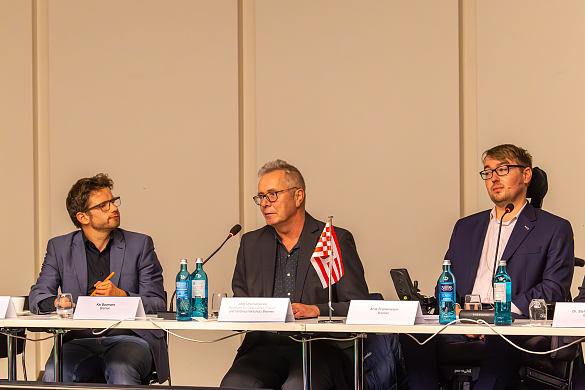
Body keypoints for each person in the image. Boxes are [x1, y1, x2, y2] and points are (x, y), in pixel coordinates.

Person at [405, 144, 574, 390]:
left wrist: (502, 315)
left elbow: (554, 289)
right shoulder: (465, 227)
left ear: (526, 175)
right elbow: (446, 280)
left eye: (502, 169)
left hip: (515, 322)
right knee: (412, 335)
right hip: (463, 318)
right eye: (488, 172)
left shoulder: (554, 228)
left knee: (501, 339)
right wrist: (458, 311)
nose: (493, 177)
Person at [220, 159, 372, 390]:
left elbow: (360, 306)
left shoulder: (333, 239)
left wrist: (317, 310)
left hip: (320, 347)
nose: (264, 204)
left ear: (298, 196)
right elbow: (240, 304)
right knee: (234, 384)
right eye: (261, 197)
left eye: (272, 194)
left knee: (299, 386)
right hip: (265, 346)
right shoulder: (250, 243)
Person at [29, 173, 169, 385]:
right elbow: (37, 296)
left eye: (113, 201)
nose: (114, 208)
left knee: (120, 368)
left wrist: (121, 295)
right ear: (83, 217)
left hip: (131, 338)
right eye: (104, 205)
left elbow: (158, 303)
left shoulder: (140, 245)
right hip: (79, 339)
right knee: (53, 372)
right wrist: (58, 303)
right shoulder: (59, 248)